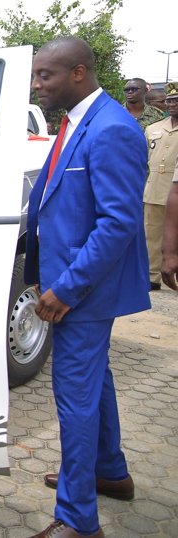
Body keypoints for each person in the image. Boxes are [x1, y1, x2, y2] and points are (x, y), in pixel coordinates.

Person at [24, 36, 147, 538]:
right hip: (75, 284)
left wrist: (67, 289)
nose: (37, 85)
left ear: (78, 73)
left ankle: (77, 518)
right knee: (96, 384)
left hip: (84, 292)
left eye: (45, 76)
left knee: (74, 397)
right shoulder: (78, 121)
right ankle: (109, 473)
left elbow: (118, 223)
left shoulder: (112, 129)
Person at [142, 89, 178, 290]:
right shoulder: (153, 128)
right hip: (154, 186)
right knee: (151, 234)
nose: (172, 105)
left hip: (176, 186)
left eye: (176, 101)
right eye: (170, 101)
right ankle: (151, 276)